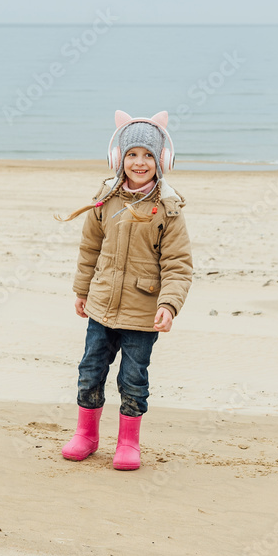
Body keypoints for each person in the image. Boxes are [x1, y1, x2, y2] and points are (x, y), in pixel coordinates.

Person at [54, 110, 193, 470]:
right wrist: (82, 290)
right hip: (101, 306)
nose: (140, 162)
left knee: (133, 379)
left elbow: (178, 265)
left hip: (142, 313)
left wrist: (169, 304)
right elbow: (90, 250)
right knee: (90, 370)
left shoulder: (168, 209)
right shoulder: (105, 200)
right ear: (118, 158)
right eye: (132, 154)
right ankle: (87, 434)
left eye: (148, 155)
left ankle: (128, 442)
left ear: (162, 159)